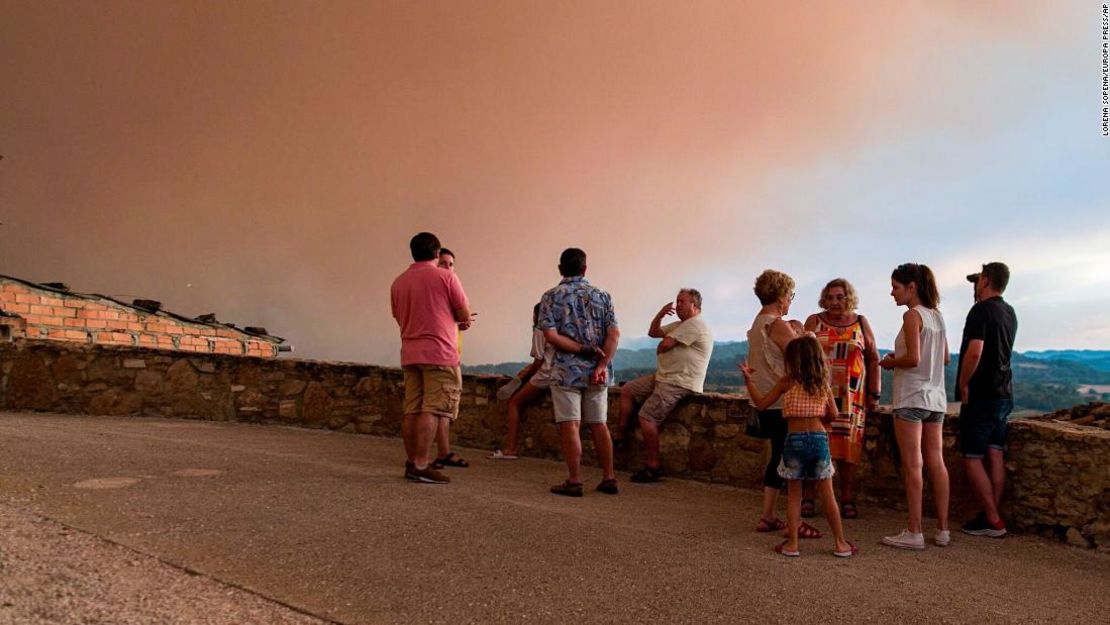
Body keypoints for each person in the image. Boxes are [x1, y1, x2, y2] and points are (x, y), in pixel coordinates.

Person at [741, 336, 857, 558]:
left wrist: (748, 381)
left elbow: (762, 404)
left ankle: (792, 544)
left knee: (795, 494)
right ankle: (841, 543)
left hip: (793, 440)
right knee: (828, 494)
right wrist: (821, 422)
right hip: (818, 440)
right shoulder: (821, 384)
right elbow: (833, 414)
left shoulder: (787, 382)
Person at [879, 263, 951, 549]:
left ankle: (915, 531)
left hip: (910, 397)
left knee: (913, 465)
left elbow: (913, 360)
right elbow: (944, 359)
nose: (892, 293)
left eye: (896, 287)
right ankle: (943, 530)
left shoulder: (912, 316)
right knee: (937, 462)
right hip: (936, 398)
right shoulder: (938, 316)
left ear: (912, 287)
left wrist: (889, 361)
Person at [746, 270, 822, 539]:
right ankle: (795, 522)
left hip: (766, 401)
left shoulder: (757, 323)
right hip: (783, 403)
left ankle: (768, 516)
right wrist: (809, 335)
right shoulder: (776, 324)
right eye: (790, 295)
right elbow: (802, 357)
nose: (790, 300)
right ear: (781, 296)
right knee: (791, 463)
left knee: (777, 458)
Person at [390, 232, 471, 484]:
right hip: (440, 352)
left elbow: (397, 315)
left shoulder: (398, 282)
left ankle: (412, 460)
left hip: (410, 351)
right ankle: (422, 464)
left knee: (412, 408)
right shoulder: (446, 277)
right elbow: (463, 312)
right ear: (437, 254)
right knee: (434, 409)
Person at [539, 248, 620, 497]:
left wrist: (580, 349)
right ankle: (609, 477)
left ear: (560, 269)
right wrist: (601, 365)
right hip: (598, 372)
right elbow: (613, 334)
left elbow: (550, 335)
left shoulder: (551, 297)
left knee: (570, 425)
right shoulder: (603, 296)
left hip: (566, 370)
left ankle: (574, 481)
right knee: (599, 424)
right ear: (585, 269)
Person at [616, 288, 713, 483]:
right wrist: (660, 314)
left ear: (695, 305)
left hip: (678, 381)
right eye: (677, 302)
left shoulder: (695, 324)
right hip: (664, 377)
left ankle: (653, 466)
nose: (678, 306)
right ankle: (621, 434)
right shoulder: (681, 324)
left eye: (682, 302)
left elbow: (665, 345)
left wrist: (663, 346)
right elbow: (653, 333)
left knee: (647, 417)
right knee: (628, 390)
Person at [801, 279, 880, 519]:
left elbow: (874, 358)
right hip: (819, 396)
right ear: (824, 299)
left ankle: (846, 497)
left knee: (849, 451)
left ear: (849, 298)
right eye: (831, 297)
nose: (835, 302)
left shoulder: (860, 322)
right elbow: (802, 356)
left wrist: (874, 394)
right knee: (815, 446)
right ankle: (808, 497)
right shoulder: (814, 321)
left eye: (840, 297)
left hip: (851, 399)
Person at [957, 262, 1017, 538]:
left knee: (971, 456)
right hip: (1004, 393)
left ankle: (992, 519)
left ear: (985, 280)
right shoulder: (1009, 312)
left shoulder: (980, 311)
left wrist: (964, 382)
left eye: (976, 281)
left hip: (981, 394)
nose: (974, 287)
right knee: (995, 452)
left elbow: (975, 352)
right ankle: (994, 516)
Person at [488, 303, 557, 460]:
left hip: (545, 374)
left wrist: (525, 376)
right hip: (559, 372)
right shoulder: (558, 329)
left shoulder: (540, 330)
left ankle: (511, 449)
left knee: (514, 403)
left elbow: (539, 362)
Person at [429, 247, 473, 469]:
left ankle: (439, 452)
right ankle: (436, 455)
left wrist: (461, 324)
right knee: (440, 409)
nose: (447, 268)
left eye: (451, 265)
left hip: (449, 351)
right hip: (442, 355)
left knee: (442, 410)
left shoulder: (446, 287)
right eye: (443, 263)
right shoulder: (440, 287)